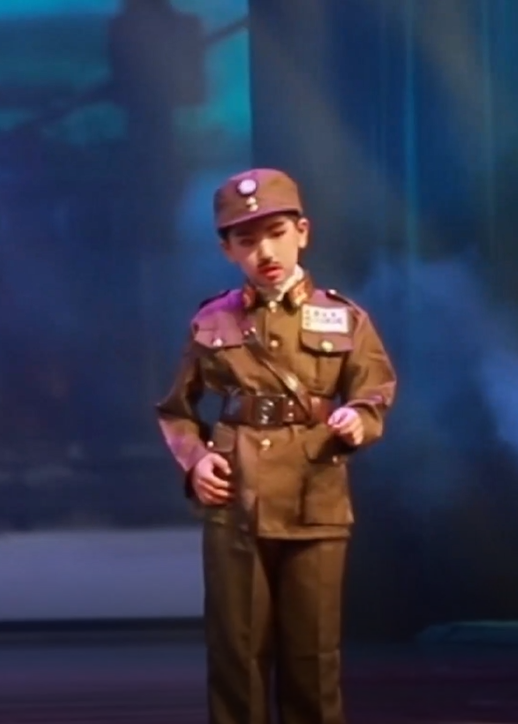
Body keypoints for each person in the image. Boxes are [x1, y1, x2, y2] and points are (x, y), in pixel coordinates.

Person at [155, 168, 396, 724]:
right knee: (236, 656)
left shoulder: (343, 317)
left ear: (302, 233)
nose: (265, 251)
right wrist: (196, 461)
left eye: (277, 233)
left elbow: (375, 388)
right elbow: (176, 410)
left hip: (316, 497)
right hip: (237, 499)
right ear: (227, 249)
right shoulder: (212, 320)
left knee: (313, 658)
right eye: (247, 240)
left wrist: (359, 418)